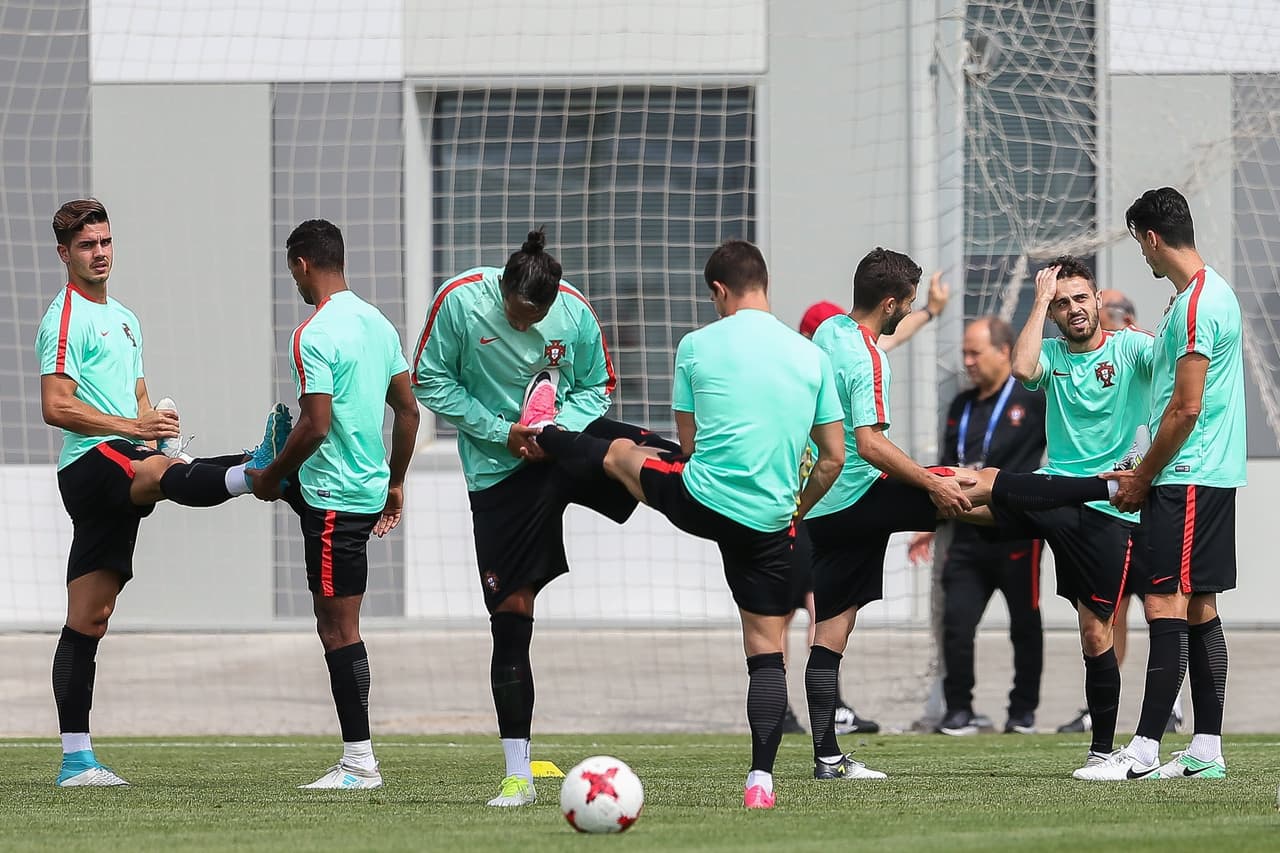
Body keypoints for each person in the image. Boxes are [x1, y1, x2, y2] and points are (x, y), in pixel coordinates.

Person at [536, 239, 848, 809]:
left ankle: (543, 430)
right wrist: (796, 507)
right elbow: (833, 457)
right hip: (771, 521)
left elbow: (688, 445)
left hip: (703, 501)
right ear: (766, 283)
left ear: (719, 291)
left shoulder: (697, 345)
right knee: (765, 649)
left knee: (622, 455)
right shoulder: (813, 357)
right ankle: (761, 781)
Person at [411, 229, 678, 807]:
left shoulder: (575, 312)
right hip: (498, 468)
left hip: (556, 448)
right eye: (520, 314)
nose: (530, 326)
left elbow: (597, 387)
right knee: (510, 615)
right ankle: (518, 774)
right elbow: (429, 379)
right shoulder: (459, 301)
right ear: (504, 291)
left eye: (540, 316)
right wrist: (499, 431)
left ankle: (724, 488)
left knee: (643, 458)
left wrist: (552, 430)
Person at [37, 198, 292, 787]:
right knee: (152, 478)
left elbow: (141, 401)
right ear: (63, 254)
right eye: (85, 245)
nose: (99, 253)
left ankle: (76, 762)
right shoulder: (65, 317)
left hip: (123, 451)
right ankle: (254, 471)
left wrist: (156, 431)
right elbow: (55, 406)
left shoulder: (125, 317)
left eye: (104, 242)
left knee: (89, 618)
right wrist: (136, 433)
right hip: (89, 461)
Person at [1076, 187, 1245, 781]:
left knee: (1163, 601)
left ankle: (1144, 748)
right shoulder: (1189, 300)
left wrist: (1141, 478)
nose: (1141, 255)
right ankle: (1205, 750)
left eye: (1136, 242)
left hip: (1188, 474)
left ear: (1150, 237)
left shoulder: (1200, 303)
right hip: (1201, 475)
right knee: (1198, 606)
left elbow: (1186, 408)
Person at [247, 219, 419, 789]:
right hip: (365, 490)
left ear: (301, 265)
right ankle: (241, 465)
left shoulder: (312, 333)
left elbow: (317, 426)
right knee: (252, 469)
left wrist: (275, 475)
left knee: (338, 629)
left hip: (331, 499)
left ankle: (359, 763)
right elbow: (410, 411)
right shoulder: (378, 323)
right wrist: (396, 482)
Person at [999, 257, 1155, 768]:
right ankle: (907, 502)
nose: (1073, 309)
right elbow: (1021, 369)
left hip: (1109, 506)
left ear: (1098, 301)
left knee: (1095, 631)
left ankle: (1102, 751)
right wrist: (1038, 301)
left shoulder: (1130, 347)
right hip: (1054, 493)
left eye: (1079, 299)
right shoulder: (1049, 353)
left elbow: (1179, 364)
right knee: (975, 489)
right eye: (1062, 303)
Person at [781, 272, 951, 735]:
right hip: (828, 500)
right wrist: (931, 485)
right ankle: (791, 707)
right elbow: (871, 443)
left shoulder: (827, 347)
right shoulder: (851, 357)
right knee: (969, 491)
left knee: (822, 619)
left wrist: (930, 312)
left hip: (807, 507)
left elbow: (882, 341)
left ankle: (821, 733)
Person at [1056, 288, 1184, 736]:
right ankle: (1104, 708)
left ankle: (1171, 703)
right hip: (1110, 504)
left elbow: (1174, 367)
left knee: (1164, 604)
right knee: (1112, 612)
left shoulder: (1137, 350)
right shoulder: (1082, 359)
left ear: (1126, 318)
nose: (1097, 318)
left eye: (1109, 312)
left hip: (1147, 498)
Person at [915, 317, 1047, 736]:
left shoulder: (1034, 399)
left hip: (1017, 533)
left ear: (1004, 352)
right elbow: (948, 469)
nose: (967, 361)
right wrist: (927, 523)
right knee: (955, 622)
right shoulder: (961, 405)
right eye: (965, 353)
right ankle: (959, 710)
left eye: (975, 352)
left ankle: (1021, 711)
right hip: (966, 532)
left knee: (1024, 623)